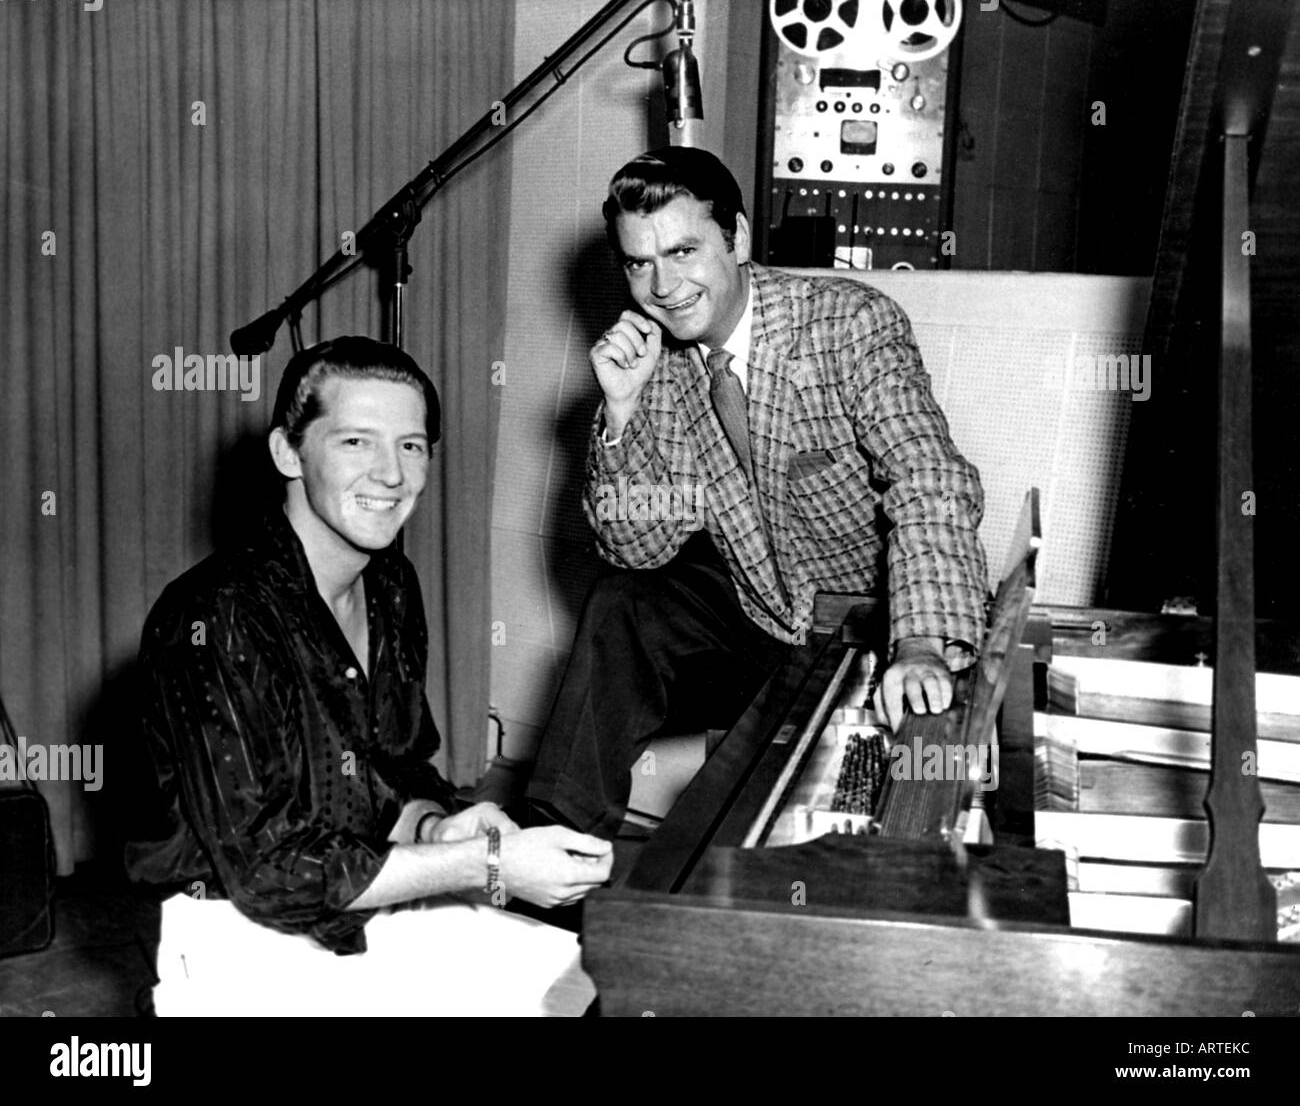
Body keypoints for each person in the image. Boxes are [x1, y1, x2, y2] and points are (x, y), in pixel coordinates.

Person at [127, 336, 611, 1016]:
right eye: (356, 442)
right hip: (236, 931)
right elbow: (270, 872)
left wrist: (442, 827)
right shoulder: (216, 616)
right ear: (288, 453)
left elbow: (396, 767)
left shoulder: (388, 582)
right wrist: (484, 865)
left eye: (411, 445)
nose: (391, 473)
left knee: (588, 988)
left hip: (357, 898)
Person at [526, 147, 989, 839]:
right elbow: (637, 546)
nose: (663, 285)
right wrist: (620, 413)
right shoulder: (653, 363)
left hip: (873, 618)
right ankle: (553, 848)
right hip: (758, 611)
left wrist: (919, 642)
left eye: (683, 250)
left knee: (901, 819)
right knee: (622, 603)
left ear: (738, 238)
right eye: (639, 263)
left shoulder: (847, 324)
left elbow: (928, 479)